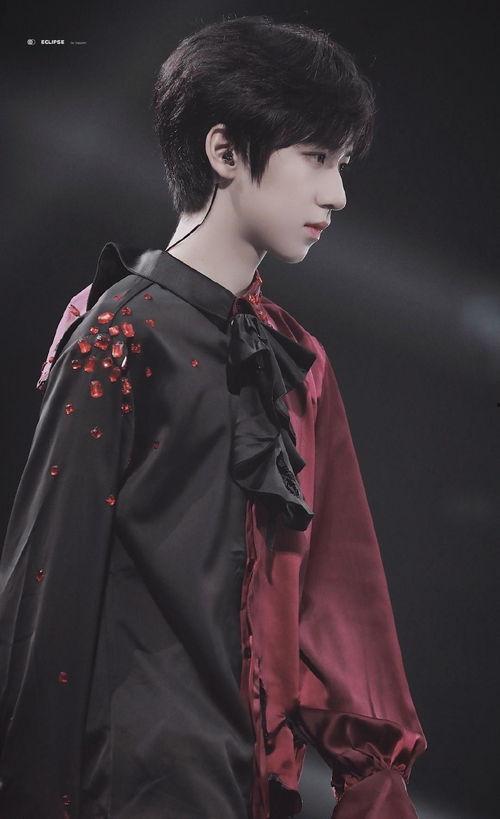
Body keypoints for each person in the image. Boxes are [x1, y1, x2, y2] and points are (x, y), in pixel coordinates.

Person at [0, 14, 427, 819]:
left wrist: (374, 784)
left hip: (254, 790)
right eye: (317, 157)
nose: (337, 193)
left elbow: (341, 603)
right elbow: (45, 598)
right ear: (225, 151)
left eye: (341, 163)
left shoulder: (298, 360)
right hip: (130, 788)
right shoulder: (120, 335)